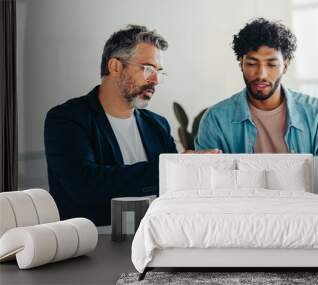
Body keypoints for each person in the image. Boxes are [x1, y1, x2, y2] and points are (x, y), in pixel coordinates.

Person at [44, 25, 218, 226]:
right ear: (115, 66)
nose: (155, 80)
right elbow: (85, 186)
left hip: (155, 237)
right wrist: (170, 167)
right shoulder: (67, 118)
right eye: (147, 69)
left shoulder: (157, 124)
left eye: (159, 71)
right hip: (92, 242)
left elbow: (172, 190)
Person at [195, 18, 318, 155]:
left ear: (285, 66)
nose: (261, 74)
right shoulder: (215, 120)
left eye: (272, 64)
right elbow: (206, 182)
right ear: (241, 64)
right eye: (252, 63)